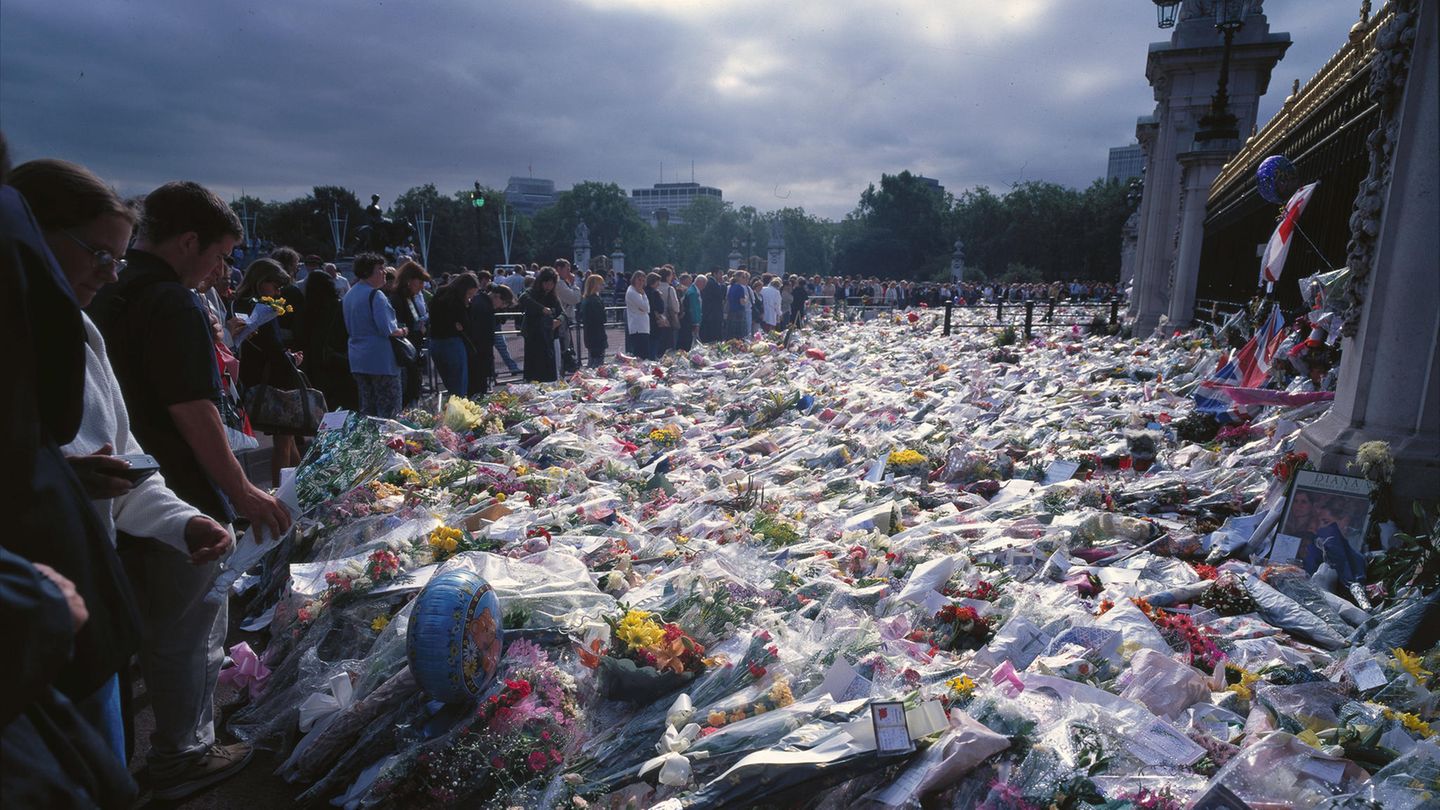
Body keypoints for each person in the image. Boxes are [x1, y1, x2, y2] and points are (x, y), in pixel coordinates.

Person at [88, 180, 291, 799]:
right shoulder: (171, 301)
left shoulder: (110, 295)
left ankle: (142, 756)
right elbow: (192, 408)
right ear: (187, 241)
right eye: (220, 254)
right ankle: (182, 755)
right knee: (189, 631)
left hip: (120, 499)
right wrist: (244, 493)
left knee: (144, 634)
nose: (221, 269)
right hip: (174, 499)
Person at [2, 147, 141, 809]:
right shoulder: (34, 324)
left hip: (74, 605)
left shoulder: (73, 327)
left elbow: (113, 445)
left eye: (119, 259)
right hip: (40, 628)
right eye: (100, 255)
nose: (110, 275)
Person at [233, 258, 304, 486]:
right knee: (284, 442)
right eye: (276, 286)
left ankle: (299, 489)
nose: (278, 291)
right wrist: (291, 358)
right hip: (273, 380)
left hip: (258, 376)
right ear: (262, 281)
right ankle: (283, 497)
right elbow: (271, 347)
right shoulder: (260, 306)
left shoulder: (240, 303)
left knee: (288, 439)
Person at [342, 252, 407, 418]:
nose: (384, 272)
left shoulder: (349, 294)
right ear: (367, 272)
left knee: (367, 409)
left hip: (358, 359)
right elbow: (388, 330)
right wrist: (404, 331)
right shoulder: (375, 295)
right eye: (380, 269)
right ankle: (387, 444)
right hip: (381, 360)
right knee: (389, 411)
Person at [301, 261, 356, 411]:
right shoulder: (337, 305)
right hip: (336, 357)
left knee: (323, 400)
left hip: (315, 358)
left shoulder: (307, 308)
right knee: (341, 401)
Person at [429, 273, 479, 396]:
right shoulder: (458, 301)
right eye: (469, 295)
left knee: (450, 385)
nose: (470, 298)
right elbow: (466, 324)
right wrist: (467, 307)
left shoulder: (440, 294)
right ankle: (458, 412)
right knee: (459, 388)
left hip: (435, 342)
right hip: (453, 343)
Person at [390, 260, 429, 408]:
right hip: (404, 356)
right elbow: (399, 327)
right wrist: (415, 330)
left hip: (413, 352)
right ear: (408, 281)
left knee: (414, 392)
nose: (421, 287)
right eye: (419, 282)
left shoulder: (410, 298)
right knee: (407, 396)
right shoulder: (397, 299)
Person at [518, 266, 562, 382]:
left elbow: (562, 313)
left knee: (549, 369)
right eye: (546, 283)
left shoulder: (553, 296)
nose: (549, 286)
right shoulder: (532, 292)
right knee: (534, 369)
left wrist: (559, 320)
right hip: (533, 336)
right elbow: (523, 298)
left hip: (548, 337)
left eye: (552, 283)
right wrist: (541, 309)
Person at [553, 258, 581, 373]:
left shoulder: (562, 282)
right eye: (567, 269)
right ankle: (561, 372)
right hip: (561, 321)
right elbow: (574, 298)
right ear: (559, 269)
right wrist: (574, 284)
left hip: (564, 320)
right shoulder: (559, 283)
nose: (570, 273)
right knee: (563, 350)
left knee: (565, 349)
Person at [579, 272, 609, 368]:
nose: (602, 286)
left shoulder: (586, 299)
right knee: (597, 364)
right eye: (601, 284)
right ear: (595, 285)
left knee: (591, 361)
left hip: (589, 335)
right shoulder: (596, 300)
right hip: (598, 336)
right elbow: (602, 319)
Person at [625, 270, 651, 359]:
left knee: (644, 354)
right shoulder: (632, 292)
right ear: (634, 279)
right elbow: (646, 308)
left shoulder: (637, 292)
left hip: (643, 327)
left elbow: (645, 308)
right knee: (641, 356)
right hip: (638, 328)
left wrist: (643, 308)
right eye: (639, 280)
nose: (641, 283)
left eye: (643, 281)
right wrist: (644, 295)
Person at [644, 271, 667, 360]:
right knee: (654, 344)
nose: (659, 284)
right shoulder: (655, 293)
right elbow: (660, 308)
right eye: (658, 281)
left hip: (646, 322)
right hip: (655, 322)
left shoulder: (644, 291)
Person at [700, 267, 725, 342]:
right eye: (720, 274)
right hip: (713, 314)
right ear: (715, 274)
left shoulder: (712, 283)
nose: (721, 276)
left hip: (712, 313)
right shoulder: (712, 283)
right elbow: (720, 297)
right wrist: (722, 285)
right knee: (714, 336)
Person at [680, 273, 703, 351]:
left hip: (687, 319)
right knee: (690, 343)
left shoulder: (691, 290)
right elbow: (694, 309)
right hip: (689, 321)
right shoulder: (692, 292)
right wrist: (696, 323)